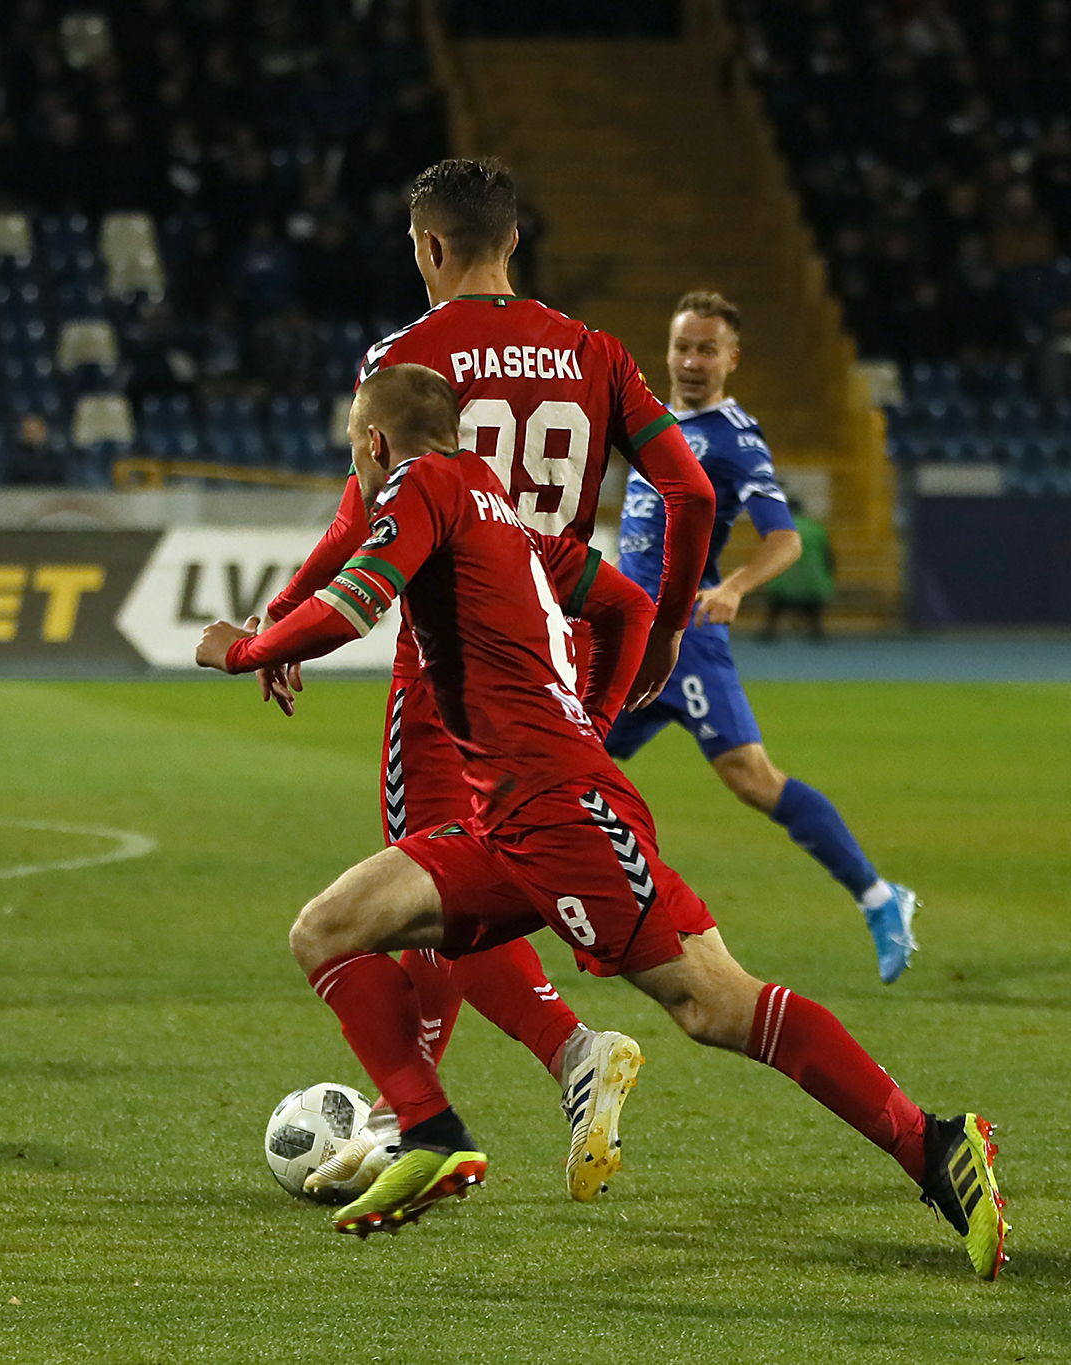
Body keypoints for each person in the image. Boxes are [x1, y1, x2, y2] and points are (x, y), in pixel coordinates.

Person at [198, 363, 1007, 1279]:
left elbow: (355, 603)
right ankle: (430, 1131)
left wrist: (244, 649)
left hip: (563, 816)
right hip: (511, 818)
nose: (355, 456)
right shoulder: (499, 509)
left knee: (714, 1003)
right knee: (329, 927)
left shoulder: (418, 486)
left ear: (375, 441)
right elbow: (624, 604)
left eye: (354, 439)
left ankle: (933, 1144)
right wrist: (594, 720)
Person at [257, 158, 718, 1203]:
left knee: (425, 886)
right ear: (513, 240)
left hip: (451, 661)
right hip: (562, 649)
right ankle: (452, 1101)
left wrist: (280, 620)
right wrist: (664, 630)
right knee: (469, 876)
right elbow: (688, 493)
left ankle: (462, 1101)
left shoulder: (405, 359)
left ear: (427, 246)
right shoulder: (592, 352)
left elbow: (361, 516)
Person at [607, 292, 918, 982]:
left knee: (752, 779)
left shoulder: (734, 438)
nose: (692, 361)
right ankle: (551, 907)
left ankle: (879, 897)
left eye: (707, 349)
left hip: (686, 640)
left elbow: (784, 539)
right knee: (568, 767)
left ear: (732, 359)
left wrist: (736, 587)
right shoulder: (649, 420)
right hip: (628, 640)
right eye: (683, 347)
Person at [761, 495, 834, 641]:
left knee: (777, 601)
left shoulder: (778, 528)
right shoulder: (816, 528)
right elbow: (829, 557)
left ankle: (770, 630)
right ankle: (816, 629)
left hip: (783, 584)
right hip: (813, 584)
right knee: (813, 603)